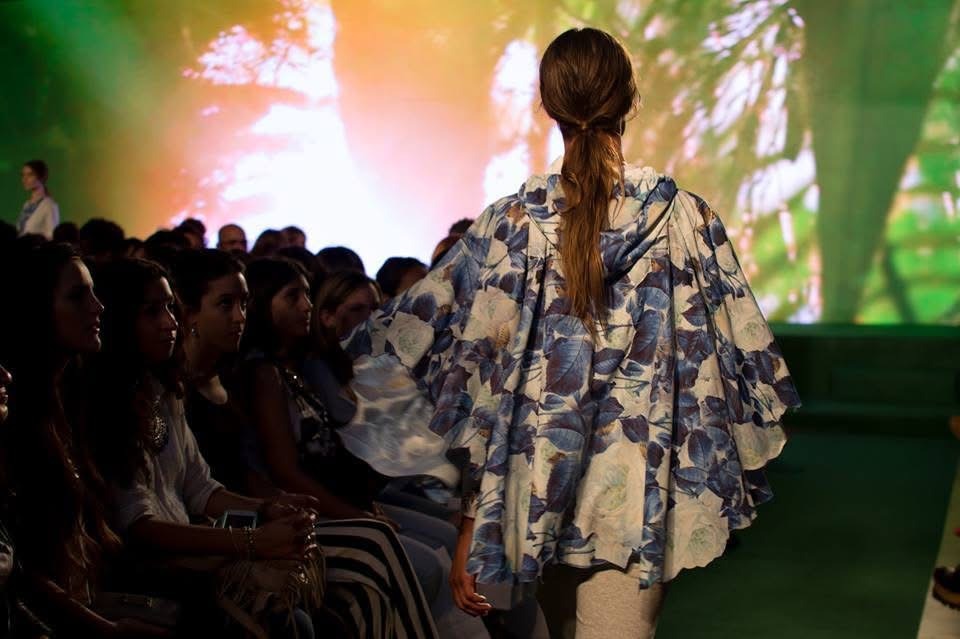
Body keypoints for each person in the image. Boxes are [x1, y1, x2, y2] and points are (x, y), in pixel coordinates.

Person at [339, 27, 801, 639]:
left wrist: (474, 520)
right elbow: (734, 370)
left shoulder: (510, 228)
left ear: (549, 105)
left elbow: (475, 383)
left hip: (539, 490)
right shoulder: (687, 223)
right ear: (629, 98)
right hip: (639, 494)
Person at [169, 249, 439, 638]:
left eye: (243, 304)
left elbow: (235, 475)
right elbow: (256, 474)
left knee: (381, 579)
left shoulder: (233, 374)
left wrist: (275, 504)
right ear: (188, 313)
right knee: (383, 546)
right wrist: (273, 511)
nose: (239, 316)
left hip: (256, 512)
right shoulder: (217, 381)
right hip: (225, 529)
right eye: (226, 304)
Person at [0, 243, 168, 638]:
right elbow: (23, 571)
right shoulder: (12, 411)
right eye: (78, 296)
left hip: (86, 598)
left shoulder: (75, 394)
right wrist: (104, 628)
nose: (98, 307)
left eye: (93, 292)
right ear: (36, 308)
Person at [16, 160, 59, 239]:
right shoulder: (27, 204)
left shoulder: (49, 205)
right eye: (23, 175)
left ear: (41, 177)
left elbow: (52, 235)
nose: (24, 179)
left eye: (30, 175)